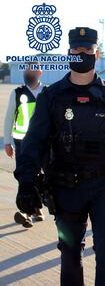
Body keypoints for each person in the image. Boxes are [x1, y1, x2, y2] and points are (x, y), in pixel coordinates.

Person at [14, 27, 105, 286]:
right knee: (70, 255)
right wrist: (26, 181)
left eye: (87, 51)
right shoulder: (52, 96)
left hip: (104, 184)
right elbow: (34, 142)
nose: (82, 55)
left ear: (97, 53)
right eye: (76, 51)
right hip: (65, 187)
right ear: (69, 53)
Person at [3, 62, 46, 228]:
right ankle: (26, 213)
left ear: (39, 72)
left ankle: (37, 207)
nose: (28, 72)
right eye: (26, 69)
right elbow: (8, 118)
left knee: (41, 176)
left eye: (31, 69)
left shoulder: (47, 92)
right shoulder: (17, 92)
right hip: (22, 143)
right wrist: (7, 141)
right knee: (24, 176)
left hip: (44, 143)